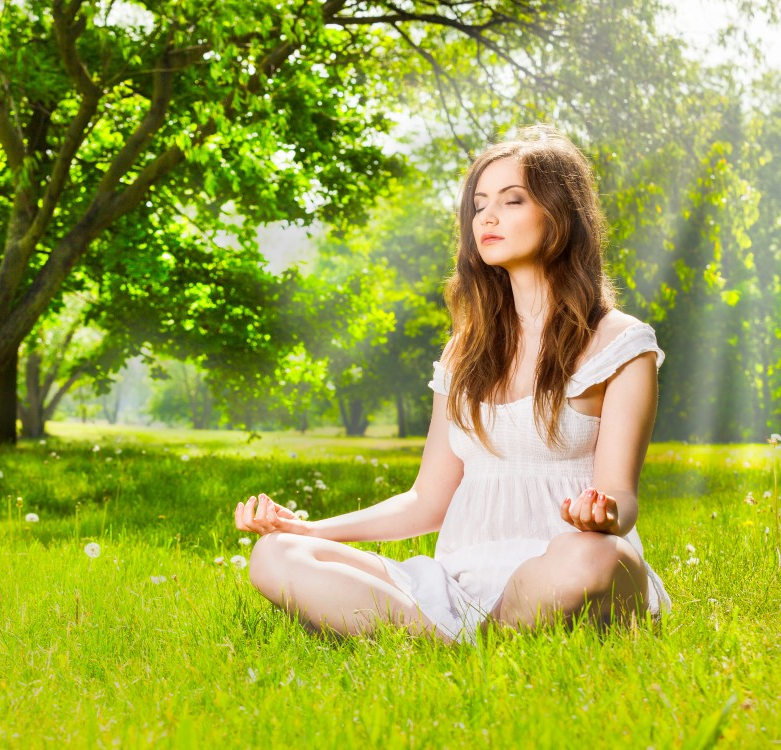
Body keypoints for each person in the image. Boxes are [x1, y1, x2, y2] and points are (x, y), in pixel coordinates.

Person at [233, 125, 671, 645]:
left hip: (569, 570)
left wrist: (602, 514)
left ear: (562, 213)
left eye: (512, 201)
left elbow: (621, 495)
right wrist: (309, 529)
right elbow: (426, 501)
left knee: (599, 555)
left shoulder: (620, 343)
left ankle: (451, 640)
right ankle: (458, 641)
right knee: (276, 555)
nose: (487, 217)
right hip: (458, 585)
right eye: (479, 204)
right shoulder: (465, 350)